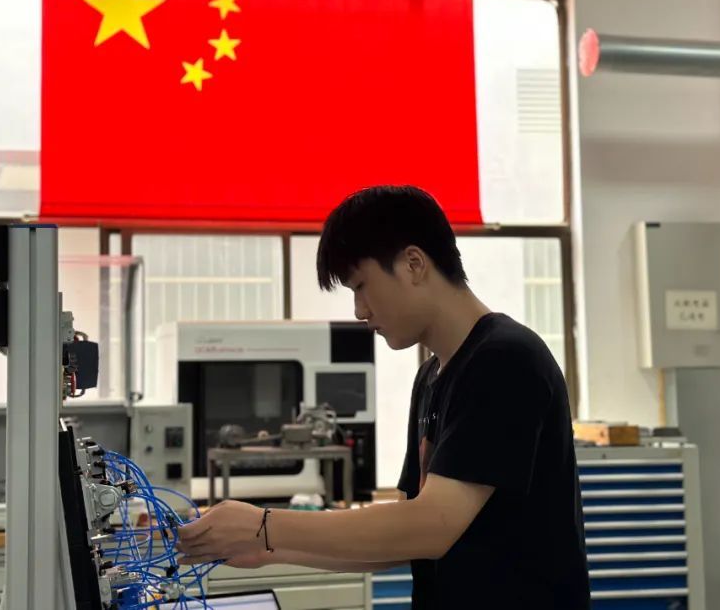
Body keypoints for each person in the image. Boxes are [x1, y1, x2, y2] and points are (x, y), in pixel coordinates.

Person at [177, 185, 591, 608]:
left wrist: (265, 525)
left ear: (413, 264)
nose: (360, 310)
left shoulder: (505, 359)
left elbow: (431, 526)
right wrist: (269, 549)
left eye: (362, 286)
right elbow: (405, 539)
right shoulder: (431, 377)